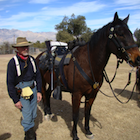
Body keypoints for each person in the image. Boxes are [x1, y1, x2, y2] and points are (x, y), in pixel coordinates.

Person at [6, 37, 42, 140]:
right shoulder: (13, 63)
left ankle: (29, 128)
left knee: (34, 114)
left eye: (26, 46)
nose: (25, 48)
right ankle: (29, 136)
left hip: (33, 89)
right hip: (21, 91)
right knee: (27, 115)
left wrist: (39, 91)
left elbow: (38, 76)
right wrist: (15, 100)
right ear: (17, 49)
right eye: (22, 47)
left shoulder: (32, 60)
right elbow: (10, 83)